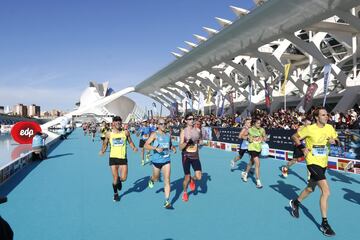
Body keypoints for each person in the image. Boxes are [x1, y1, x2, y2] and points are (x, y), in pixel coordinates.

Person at [290, 107, 339, 237]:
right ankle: (324, 224)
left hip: (323, 163)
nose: (326, 116)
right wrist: (302, 147)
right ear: (317, 117)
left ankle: (295, 202)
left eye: (326, 114)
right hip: (312, 162)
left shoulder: (329, 128)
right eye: (323, 115)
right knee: (326, 191)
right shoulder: (310, 128)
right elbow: (294, 136)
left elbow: (337, 140)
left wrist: (334, 141)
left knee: (310, 188)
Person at [99, 116, 138, 202]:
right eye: (116, 122)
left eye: (119, 122)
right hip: (113, 158)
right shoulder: (109, 134)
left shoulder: (126, 133)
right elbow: (105, 143)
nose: (118, 123)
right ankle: (115, 194)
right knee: (115, 178)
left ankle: (120, 181)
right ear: (113, 123)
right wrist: (102, 151)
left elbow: (130, 141)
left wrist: (134, 148)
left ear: (121, 123)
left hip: (123, 158)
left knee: (123, 178)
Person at [144, 118, 176, 209]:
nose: (163, 125)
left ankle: (167, 201)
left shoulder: (168, 135)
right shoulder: (154, 134)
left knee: (167, 180)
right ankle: (152, 179)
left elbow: (169, 144)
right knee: (156, 178)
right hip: (157, 161)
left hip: (166, 160)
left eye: (164, 123)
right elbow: (146, 145)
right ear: (157, 125)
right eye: (161, 124)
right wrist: (155, 148)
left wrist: (173, 148)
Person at [179, 113, 202, 202]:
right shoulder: (183, 131)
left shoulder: (198, 130)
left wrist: (200, 143)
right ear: (185, 121)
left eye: (192, 119)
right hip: (186, 156)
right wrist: (187, 142)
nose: (191, 120)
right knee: (186, 178)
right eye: (189, 119)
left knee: (199, 177)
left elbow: (200, 141)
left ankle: (193, 179)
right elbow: (180, 147)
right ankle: (185, 192)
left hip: (195, 155)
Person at [241, 118, 266, 188]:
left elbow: (265, 138)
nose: (259, 124)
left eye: (260, 123)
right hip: (251, 148)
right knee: (257, 163)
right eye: (257, 123)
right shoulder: (249, 129)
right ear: (254, 123)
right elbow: (242, 136)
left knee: (251, 162)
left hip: (258, 148)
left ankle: (245, 173)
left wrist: (262, 139)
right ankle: (258, 182)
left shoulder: (262, 130)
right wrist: (248, 138)